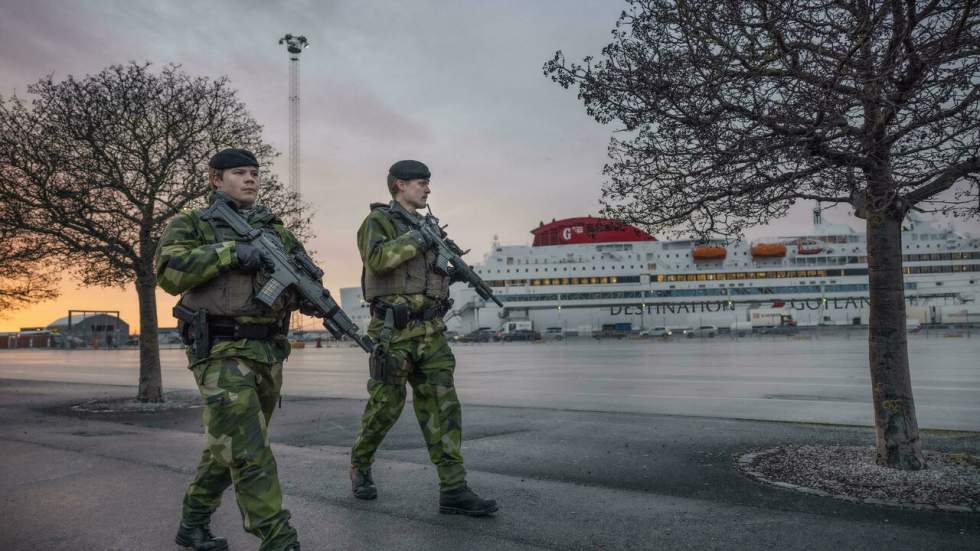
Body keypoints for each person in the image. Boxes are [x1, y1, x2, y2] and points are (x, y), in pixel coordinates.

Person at [156, 148, 304, 551]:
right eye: (240, 172)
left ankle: (193, 523)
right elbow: (169, 272)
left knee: (229, 447)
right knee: (251, 451)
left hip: (267, 352)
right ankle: (279, 538)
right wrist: (230, 253)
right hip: (220, 351)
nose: (251, 179)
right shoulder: (193, 223)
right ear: (215, 180)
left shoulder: (276, 230)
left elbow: (301, 278)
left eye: (255, 172)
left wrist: (308, 291)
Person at [349, 159, 498, 516]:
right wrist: (419, 237)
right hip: (393, 333)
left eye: (428, 183)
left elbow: (425, 273)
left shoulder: (427, 226)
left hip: (432, 332)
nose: (427, 189)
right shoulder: (378, 222)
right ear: (399, 185)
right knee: (386, 406)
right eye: (421, 183)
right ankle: (361, 462)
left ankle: (454, 488)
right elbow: (379, 260)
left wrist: (451, 274)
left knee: (444, 409)